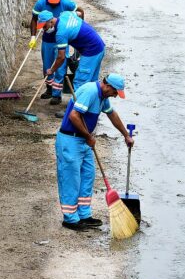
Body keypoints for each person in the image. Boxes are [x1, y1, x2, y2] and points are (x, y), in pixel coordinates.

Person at [55, 74, 134, 231]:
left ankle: (84, 215)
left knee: (88, 175)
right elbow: (74, 116)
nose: (115, 95)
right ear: (107, 85)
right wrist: (88, 136)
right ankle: (70, 218)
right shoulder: (90, 92)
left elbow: (112, 114)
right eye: (115, 92)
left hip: (84, 142)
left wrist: (126, 135)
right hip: (70, 141)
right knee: (71, 179)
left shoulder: (103, 96)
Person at [30, 0, 79, 104]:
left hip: (62, 40)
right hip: (47, 40)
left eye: (55, 2)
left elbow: (79, 12)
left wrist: (75, 29)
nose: (53, 5)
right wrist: (32, 37)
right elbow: (34, 19)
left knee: (60, 66)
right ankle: (49, 89)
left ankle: (57, 95)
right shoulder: (40, 3)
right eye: (51, 1)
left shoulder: (67, 3)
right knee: (47, 65)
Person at [38, 8, 106, 93]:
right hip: (100, 47)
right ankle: (93, 104)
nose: (44, 29)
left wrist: (52, 70)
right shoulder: (66, 14)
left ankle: (78, 105)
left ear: (50, 21)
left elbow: (61, 57)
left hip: (91, 51)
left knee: (80, 82)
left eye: (44, 26)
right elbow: (80, 13)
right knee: (92, 81)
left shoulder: (61, 34)